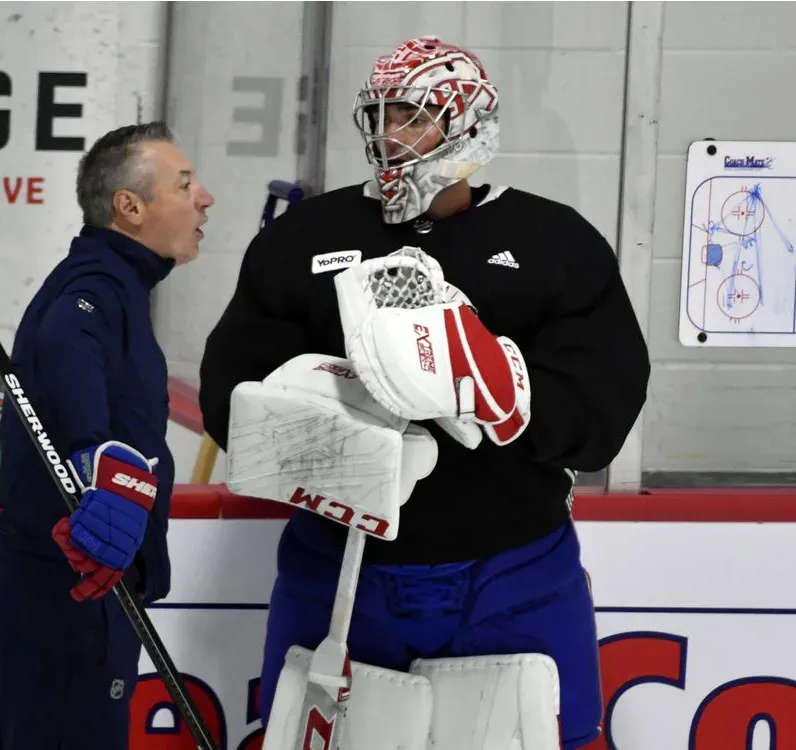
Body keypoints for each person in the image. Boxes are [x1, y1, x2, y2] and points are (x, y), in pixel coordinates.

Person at [198, 36, 649, 749]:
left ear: (466, 122)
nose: (389, 136)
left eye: (411, 115)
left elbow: (605, 409)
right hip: (339, 572)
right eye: (379, 116)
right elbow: (231, 392)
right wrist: (346, 415)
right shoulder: (304, 238)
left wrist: (499, 392)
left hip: (515, 570)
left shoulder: (556, 242)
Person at [0, 121, 214, 749]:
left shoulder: (118, 285)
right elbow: (63, 345)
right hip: (66, 593)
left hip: (80, 589)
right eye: (185, 184)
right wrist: (94, 453)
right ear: (129, 207)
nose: (205, 198)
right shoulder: (96, 284)